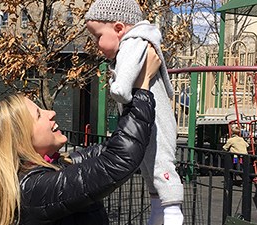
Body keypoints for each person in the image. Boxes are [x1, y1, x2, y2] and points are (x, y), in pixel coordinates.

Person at [0, 47, 160, 225]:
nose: (50, 113)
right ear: (19, 142)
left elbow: (114, 149)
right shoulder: (33, 189)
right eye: (38, 115)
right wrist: (142, 86)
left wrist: (129, 89)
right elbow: (117, 161)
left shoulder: (56, 165)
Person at [84, 0, 184, 224]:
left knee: (161, 164)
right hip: (151, 119)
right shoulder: (137, 42)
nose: (96, 44)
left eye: (98, 36)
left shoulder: (133, 42)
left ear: (119, 28)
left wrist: (115, 83)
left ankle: (171, 215)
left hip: (155, 120)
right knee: (150, 168)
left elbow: (121, 90)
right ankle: (159, 213)